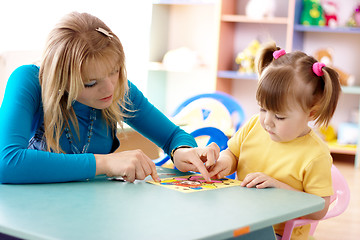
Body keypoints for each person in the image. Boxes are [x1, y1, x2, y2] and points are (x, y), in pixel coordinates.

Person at [0, 12, 219, 184]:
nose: (109, 89)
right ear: (61, 79)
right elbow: (6, 162)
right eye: (90, 83)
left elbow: (173, 135)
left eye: (114, 71)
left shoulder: (117, 87)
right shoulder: (29, 80)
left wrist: (181, 151)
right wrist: (106, 163)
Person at [209, 42, 341, 240]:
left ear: (310, 113)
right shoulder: (255, 125)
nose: (267, 121)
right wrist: (223, 164)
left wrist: (280, 189)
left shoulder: (316, 155)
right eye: (262, 109)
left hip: (279, 234)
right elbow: (233, 154)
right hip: (240, 219)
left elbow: (320, 208)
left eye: (279, 116)